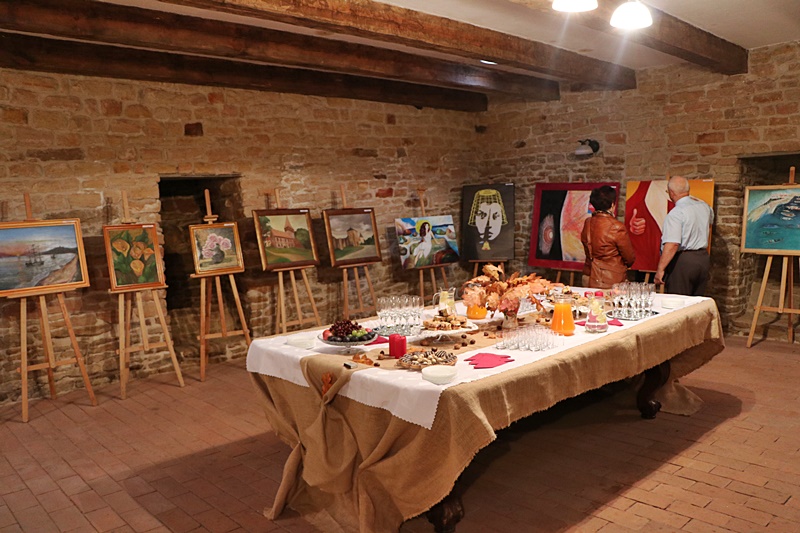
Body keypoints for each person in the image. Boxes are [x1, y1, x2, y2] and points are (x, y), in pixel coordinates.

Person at [654, 176, 714, 295]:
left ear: (671, 193)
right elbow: (709, 223)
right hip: (702, 258)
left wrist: (660, 269)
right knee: (696, 302)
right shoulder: (704, 206)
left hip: (683, 262)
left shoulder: (676, 213)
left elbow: (673, 244)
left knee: (678, 301)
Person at [581, 185, 636, 288]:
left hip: (588, 275)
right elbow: (629, 258)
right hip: (610, 280)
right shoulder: (616, 227)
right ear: (612, 205)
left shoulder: (587, 223)